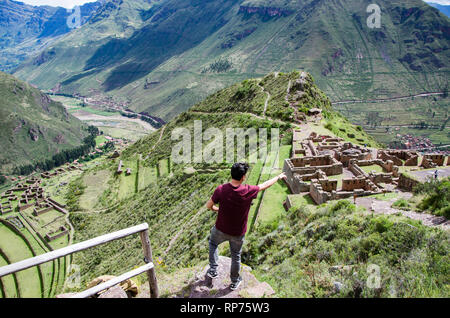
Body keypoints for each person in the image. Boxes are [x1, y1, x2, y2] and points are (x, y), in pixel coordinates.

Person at [205, 162, 287, 290]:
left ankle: (213, 269)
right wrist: (278, 177)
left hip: (221, 228)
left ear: (231, 174)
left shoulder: (221, 189)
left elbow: (208, 205)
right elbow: (264, 185)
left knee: (213, 243)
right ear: (243, 177)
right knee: (235, 256)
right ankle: (234, 281)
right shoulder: (247, 190)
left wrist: (216, 209)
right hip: (238, 232)